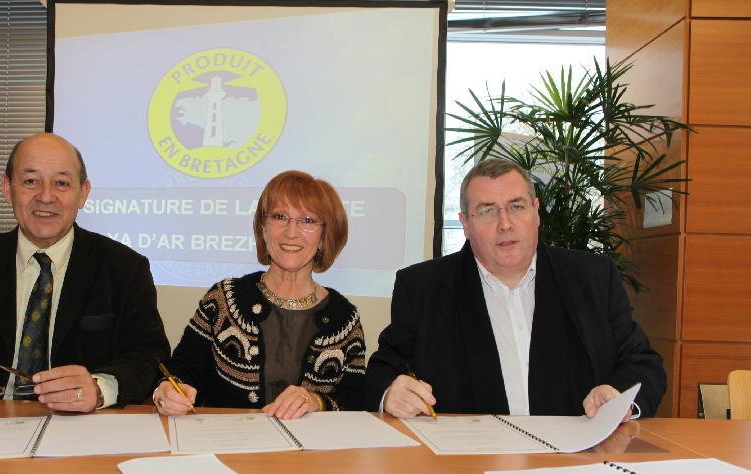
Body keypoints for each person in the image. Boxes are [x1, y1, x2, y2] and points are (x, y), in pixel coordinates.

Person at [366, 158, 665, 419]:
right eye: (487, 211)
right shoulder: (423, 288)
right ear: (465, 224)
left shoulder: (592, 277)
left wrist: (617, 397)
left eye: (516, 207)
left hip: (572, 461)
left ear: (536, 212)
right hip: (467, 466)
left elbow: (643, 363)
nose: (505, 224)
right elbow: (382, 371)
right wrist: (390, 391)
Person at [0, 133, 170, 413]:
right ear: (7, 188)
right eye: (30, 181)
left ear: (83, 193)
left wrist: (99, 389)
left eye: (61, 183)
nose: (46, 196)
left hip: (82, 429)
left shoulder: (125, 267)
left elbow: (150, 357)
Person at [154, 170, 365, 419]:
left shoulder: (344, 318)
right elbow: (182, 369)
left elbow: (358, 398)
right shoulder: (223, 299)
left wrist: (316, 401)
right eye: (279, 217)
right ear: (263, 229)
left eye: (308, 220)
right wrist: (166, 390)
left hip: (309, 455)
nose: (291, 232)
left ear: (324, 237)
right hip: (226, 446)